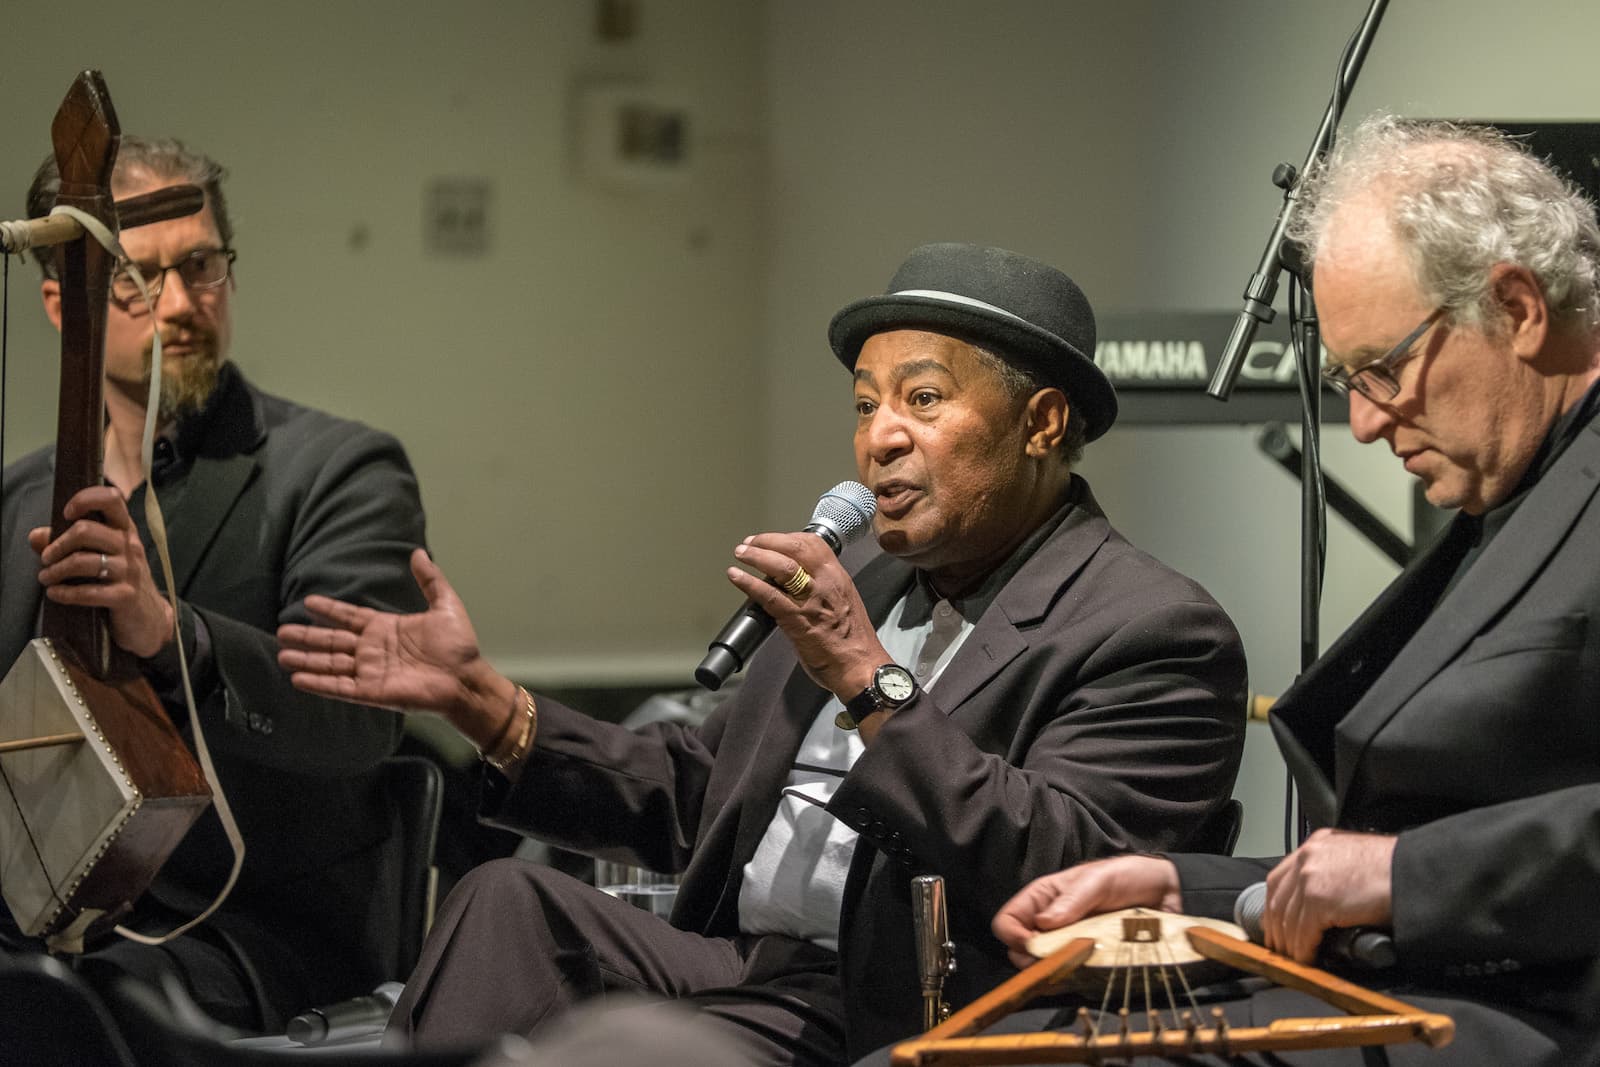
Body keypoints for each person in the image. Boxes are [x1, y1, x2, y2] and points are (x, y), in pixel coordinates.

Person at [277, 242, 1249, 1065]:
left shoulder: (1150, 627)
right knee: (508, 897)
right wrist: (486, 704)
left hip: (911, 1005)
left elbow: (1060, 865)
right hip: (743, 963)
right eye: (864, 405)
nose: (880, 438)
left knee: (629, 1048)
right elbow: (702, 797)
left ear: (1040, 423)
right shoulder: (865, 581)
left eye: (922, 398)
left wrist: (869, 680)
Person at [987, 118, 1600, 1065]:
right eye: (1347, 379)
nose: (1363, 423)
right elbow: (1387, 857)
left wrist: (1405, 874)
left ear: (1515, 307)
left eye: (1383, 370)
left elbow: (1407, 866)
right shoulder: (1512, 494)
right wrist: (1181, 888)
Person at [0, 137, 429, 1032]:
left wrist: (169, 632)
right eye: (135, 276)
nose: (180, 301)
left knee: (70, 1010)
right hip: (38, 916)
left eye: (201, 265)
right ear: (62, 306)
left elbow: (359, 720)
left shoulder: (339, 472)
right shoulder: (17, 500)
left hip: (251, 932)